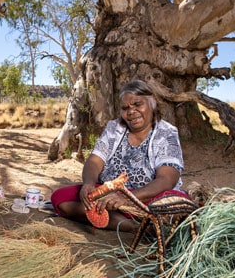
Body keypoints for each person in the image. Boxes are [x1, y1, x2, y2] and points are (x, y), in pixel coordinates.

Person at [50, 79, 187, 231]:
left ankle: (122, 219)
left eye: (137, 104)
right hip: (108, 196)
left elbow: (167, 179)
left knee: (175, 206)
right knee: (60, 199)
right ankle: (136, 226)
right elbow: (95, 161)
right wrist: (88, 183)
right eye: (125, 108)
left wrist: (127, 197)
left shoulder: (166, 132)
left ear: (152, 102)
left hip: (146, 198)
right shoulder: (114, 128)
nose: (131, 112)